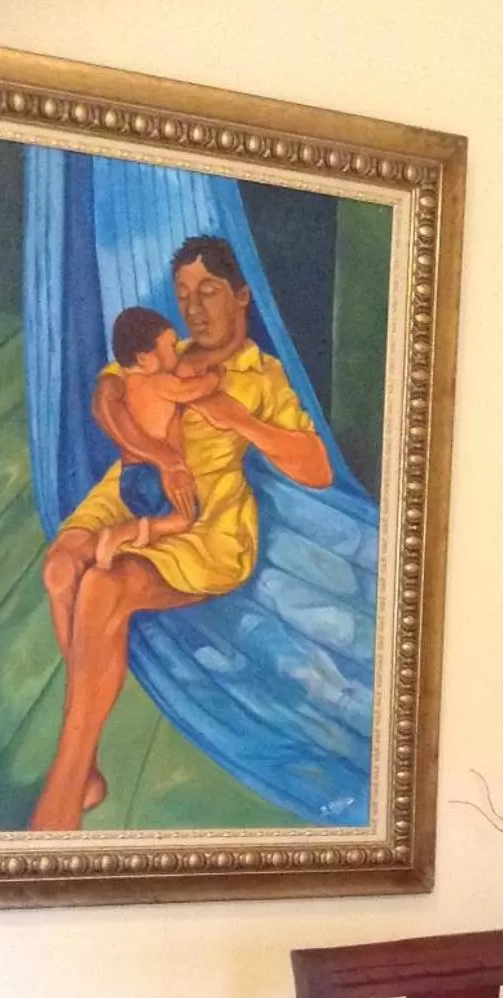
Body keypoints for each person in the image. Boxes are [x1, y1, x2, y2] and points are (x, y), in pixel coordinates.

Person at [31, 235, 332, 830]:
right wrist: (145, 444)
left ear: (242, 296)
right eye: (184, 295)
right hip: (128, 488)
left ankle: (63, 791)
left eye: (209, 291)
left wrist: (238, 418)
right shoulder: (165, 354)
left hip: (204, 517)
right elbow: (106, 392)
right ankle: (86, 764)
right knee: (60, 568)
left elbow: (317, 469)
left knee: (101, 587)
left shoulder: (261, 375)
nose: (194, 307)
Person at [89, 306, 225, 570]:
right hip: (151, 475)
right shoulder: (157, 382)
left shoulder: (127, 386)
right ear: (143, 359)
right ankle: (123, 534)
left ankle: (133, 536)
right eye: (172, 347)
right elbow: (193, 390)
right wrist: (215, 376)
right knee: (186, 518)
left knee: (174, 520)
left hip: (131, 478)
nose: (177, 352)